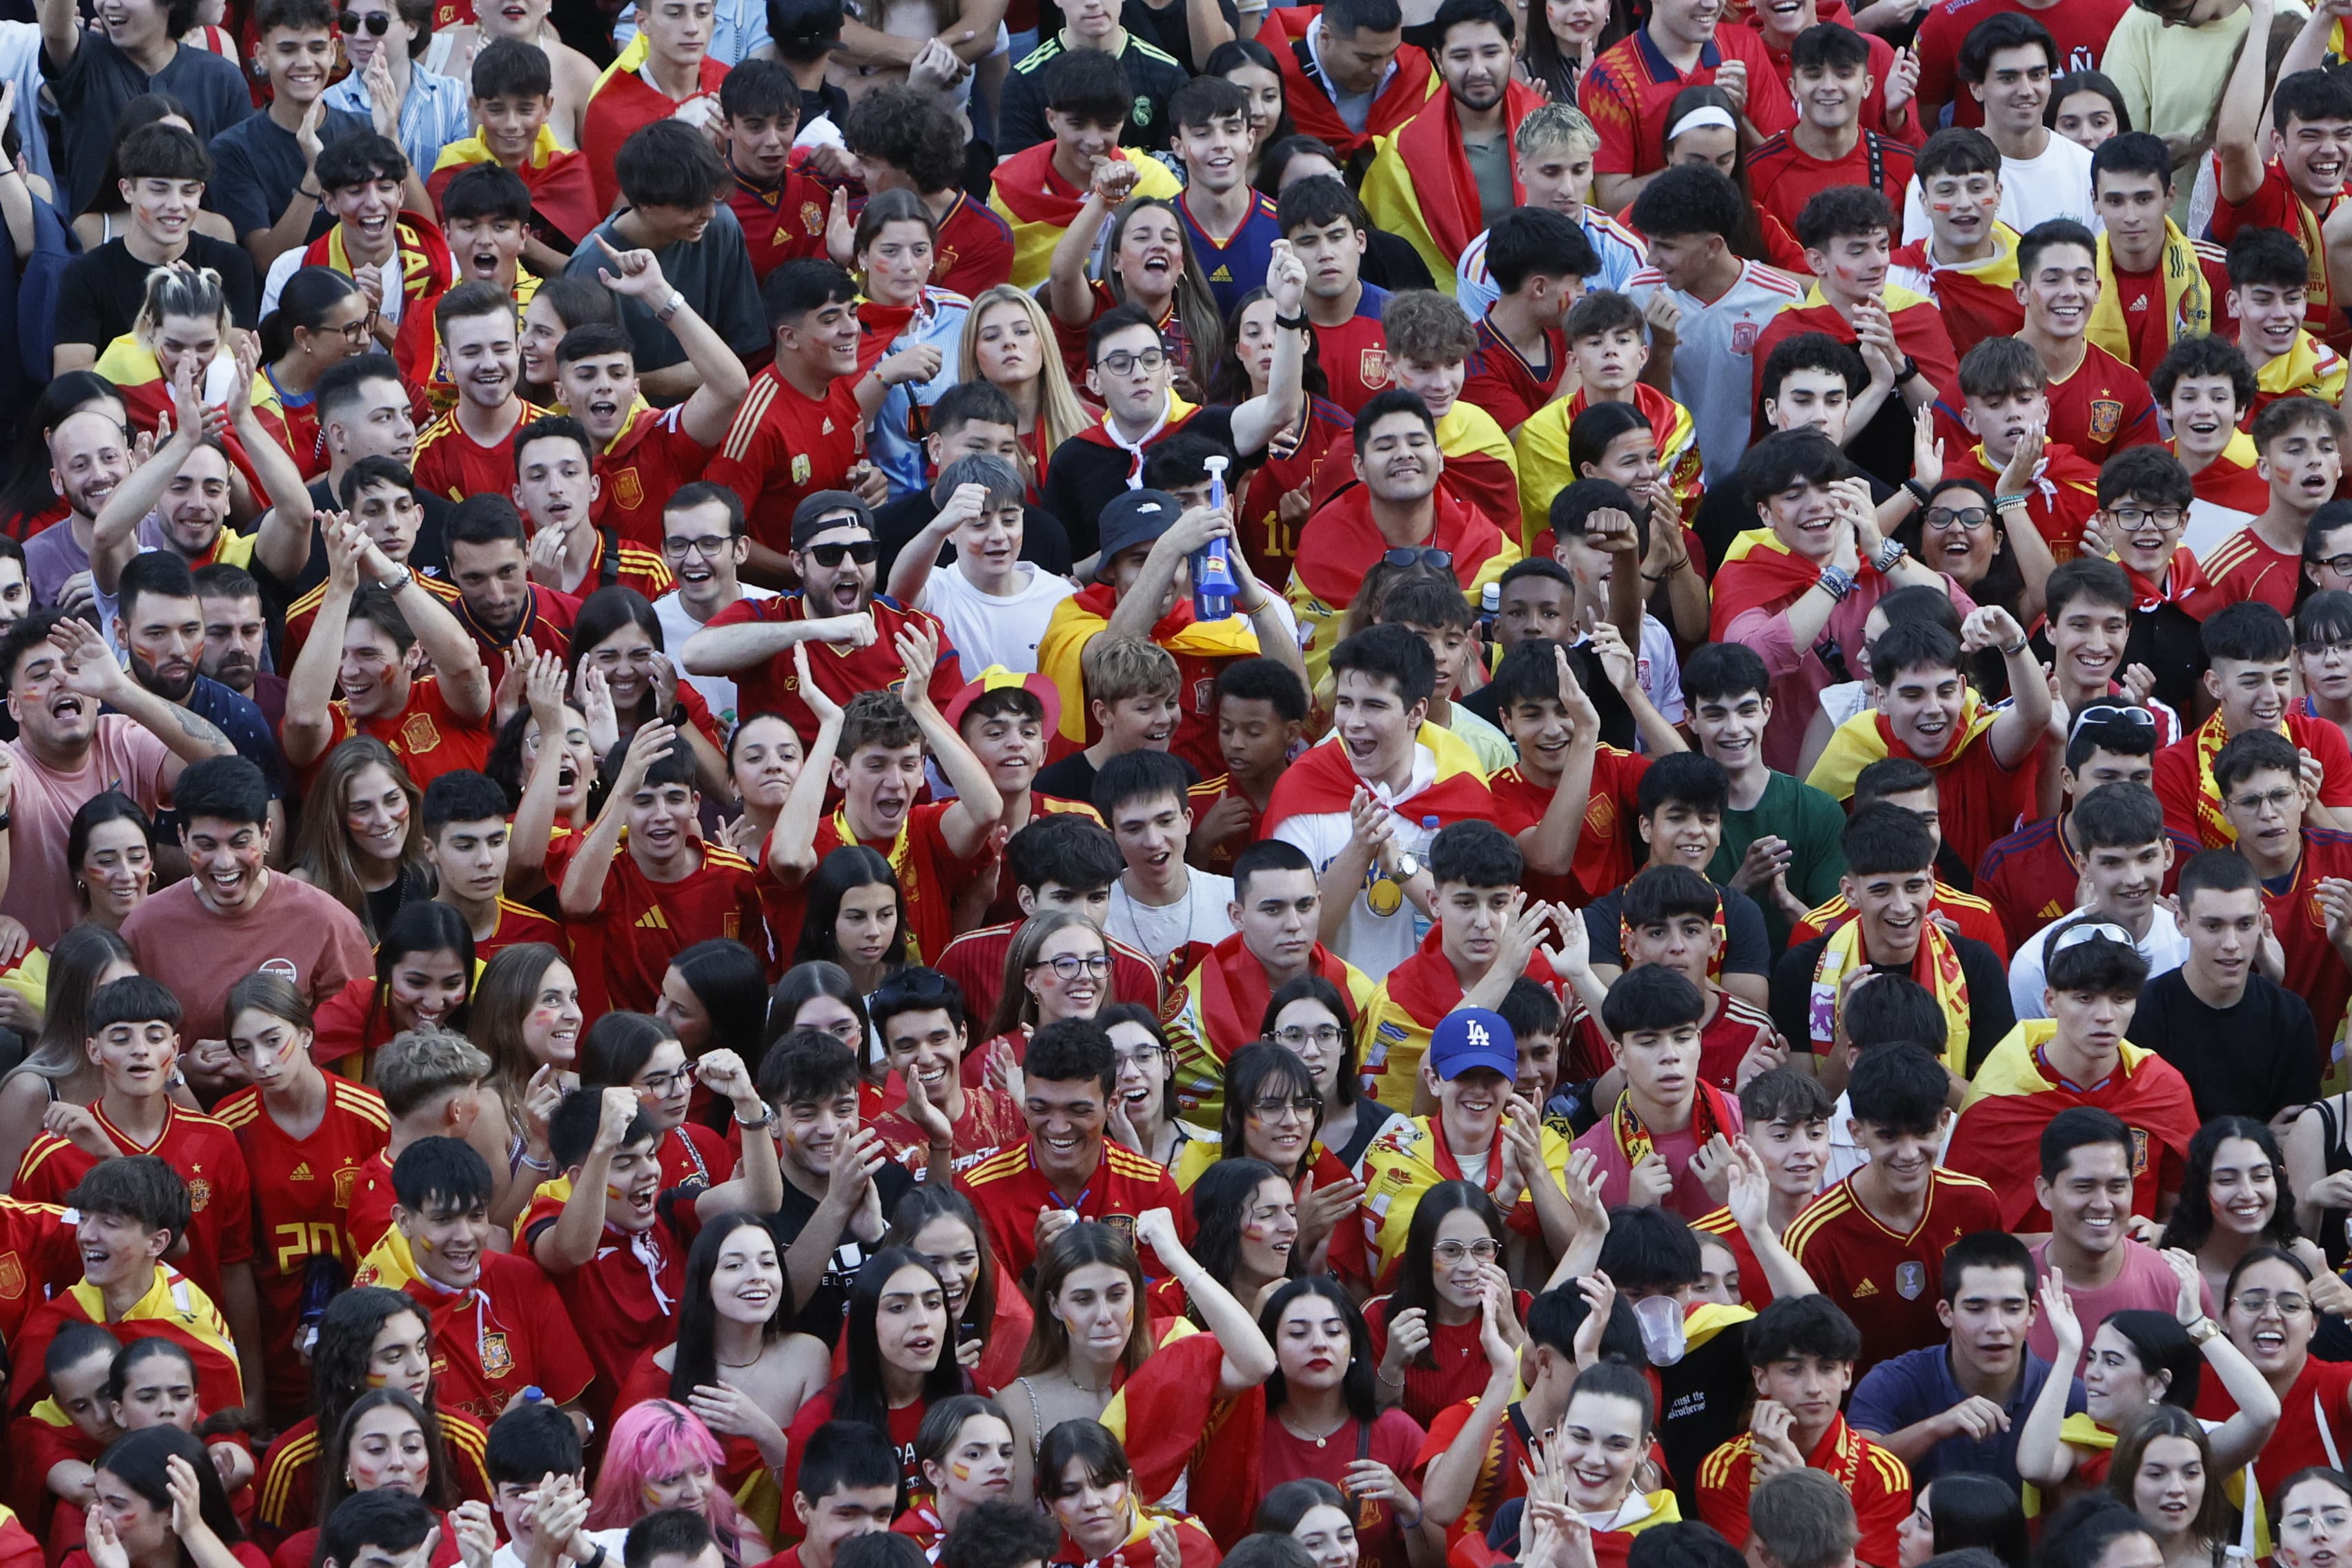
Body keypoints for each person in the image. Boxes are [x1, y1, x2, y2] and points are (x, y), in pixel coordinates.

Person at [1709, 433, 1958, 773]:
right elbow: (1747, 666)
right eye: (1794, 495)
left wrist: (1881, 552)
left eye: (1828, 488)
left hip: (1900, 775)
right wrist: (1836, 577)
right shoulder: (1745, 574)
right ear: (1766, 514)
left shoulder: (1876, 560)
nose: (1817, 504)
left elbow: (1965, 618)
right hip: (1793, 786)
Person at [210, 971, 393, 1421]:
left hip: (365, 1340)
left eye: (274, 1040)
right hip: (270, 1344)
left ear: (306, 1033)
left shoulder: (371, 1115)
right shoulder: (228, 1125)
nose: (262, 1061)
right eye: (244, 1048)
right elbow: (232, 1261)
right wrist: (252, 1390)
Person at [350, 1136, 594, 1427]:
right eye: (443, 1220)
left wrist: (559, 1433)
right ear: (404, 1221)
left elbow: (575, 1413)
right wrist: (501, 1439)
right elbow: (377, 1444)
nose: (465, 1236)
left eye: (477, 1216)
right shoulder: (372, 1312)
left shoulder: (522, 1279)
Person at [1785, 1045, 2001, 1373]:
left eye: (1923, 1132)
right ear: (1856, 1132)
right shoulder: (1812, 1238)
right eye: (1889, 1136)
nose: (1909, 1153)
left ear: (1944, 1123)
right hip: (1861, 1419)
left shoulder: (1977, 1203)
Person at [1769, 806, 2014, 1088]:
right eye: (1881, 890)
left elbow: (1994, 1103)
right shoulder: (1801, 968)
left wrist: (1912, 1058)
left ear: (1932, 884)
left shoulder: (1976, 965)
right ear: (1850, 893)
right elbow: (1806, 1112)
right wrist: (1849, 1035)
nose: (1901, 907)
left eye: (1913, 887)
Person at [1805, 614, 2050, 874]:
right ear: (1882, 698)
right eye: (1913, 695)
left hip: (1978, 912)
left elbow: (2034, 716)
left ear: (1961, 688)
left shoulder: (1978, 737)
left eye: (1945, 692)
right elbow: (1814, 845)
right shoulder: (1853, 748)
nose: (1933, 709)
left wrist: (2013, 642)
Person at [7, 1156, 245, 1417]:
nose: (86, 1236)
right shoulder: (53, 1323)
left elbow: (224, 1436)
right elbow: (23, 1429)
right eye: (83, 1219)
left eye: (109, 1223)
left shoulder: (196, 1326)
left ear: (156, 1243)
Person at [957, 1018, 1188, 1285]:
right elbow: (989, 1318)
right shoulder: (978, 1194)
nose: (1058, 1127)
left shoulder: (1152, 1189)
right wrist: (1041, 1272)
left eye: (1078, 1111)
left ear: (1111, 1103)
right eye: (1040, 1109)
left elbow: (1163, 1316)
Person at [1846, 1231, 2077, 1491]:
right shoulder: (1891, 1383)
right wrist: (1936, 1428)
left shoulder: (2071, 1395)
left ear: (2032, 1313)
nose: (1995, 1326)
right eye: (1976, 1309)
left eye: (2012, 1309)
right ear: (1946, 1313)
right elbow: (1852, 1474)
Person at [1696, 1294, 1912, 1568]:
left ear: (1847, 1374)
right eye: (1793, 1370)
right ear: (1761, 1378)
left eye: (1826, 1368)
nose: (1813, 1387)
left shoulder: (1885, 1474)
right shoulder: (1722, 1469)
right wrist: (1774, 1494)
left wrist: (1796, 1488)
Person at [1624, 168, 1807, 490]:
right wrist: (1663, 350)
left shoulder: (1779, 298)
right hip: (1665, 484)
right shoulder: (1637, 293)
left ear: (1713, 246)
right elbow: (1641, 409)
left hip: (1754, 485)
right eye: (1650, 243)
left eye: (1666, 246)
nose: (1652, 259)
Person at [2126, 850, 2320, 1122]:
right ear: (2183, 922)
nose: (2231, 943)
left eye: (2244, 924)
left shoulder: (2290, 1015)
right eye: (2213, 926)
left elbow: (2298, 1127)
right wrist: (2260, 1137)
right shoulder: (2140, 1013)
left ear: (2262, 919)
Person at [52, 124, 259, 374]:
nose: (175, 205)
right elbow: (69, 377)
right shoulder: (86, 274)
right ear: (127, 190)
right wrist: (154, 336)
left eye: (188, 191)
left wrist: (201, 304)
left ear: (201, 192)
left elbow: (236, 361)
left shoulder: (229, 263)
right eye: (159, 190)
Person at [2212, 14, 2352, 356]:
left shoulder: (2348, 205)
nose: (2330, 149)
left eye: (2344, 135)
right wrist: (2262, 20)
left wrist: (2327, 12)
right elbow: (2234, 141)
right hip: (2257, 393)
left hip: (2336, 390)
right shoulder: (2265, 198)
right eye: (2311, 136)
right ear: (2279, 141)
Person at [1578, 0, 1794, 210]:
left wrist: (1738, 118)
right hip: (1660, 239)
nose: (1711, 4)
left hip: (1740, 231)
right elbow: (1613, 203)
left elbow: (1786, 166)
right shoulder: (1609, 78)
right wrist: (1693, 165)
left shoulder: (1744, 46)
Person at [2006, 785, 2186, 1020]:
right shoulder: (2035, 965)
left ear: (2168, 854)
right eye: (2112, 863)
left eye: (2147, 857)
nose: (2134, 879)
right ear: (2084, 867)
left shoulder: (2192, 945)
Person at [2197, 399, 2346, 616]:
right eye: (2295, 450)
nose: (2315, 460)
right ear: (2264, 468)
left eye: (2326, 449)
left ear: (2339, 464)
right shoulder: (2227, 570)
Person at [1252, 0, 1433, 164]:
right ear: (1325, 38)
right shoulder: (1268, 78)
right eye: (1366, 58)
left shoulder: (1419, 75)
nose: (1382, 70)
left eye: (1392, 53)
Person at [2227, 227, 2347, 419]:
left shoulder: (2339, 383)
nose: (2281, 314)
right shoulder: (2212, 380)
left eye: (2292, 299)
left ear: (2305, 299)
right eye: (2263, 300)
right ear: (2234, 303)